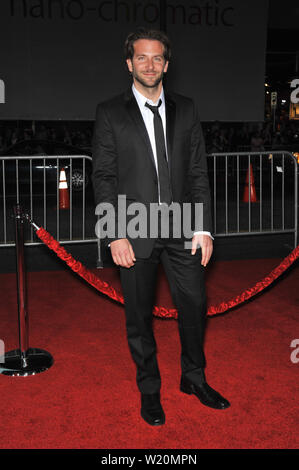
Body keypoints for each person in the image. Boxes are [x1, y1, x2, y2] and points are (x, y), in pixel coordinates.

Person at [92, 28, 230, 426]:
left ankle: (194, 377)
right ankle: (150, 390)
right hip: (134, 228)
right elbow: (103, 176)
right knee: (138, 315)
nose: (149, 64)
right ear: (129, 63)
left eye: (157, 58)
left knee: (194, 305)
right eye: (141, 58)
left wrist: (204, 228)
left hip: (184, 224)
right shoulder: (110, 112)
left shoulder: (186, 108)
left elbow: (199, 171)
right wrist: (114, 232)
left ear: (167, 65)